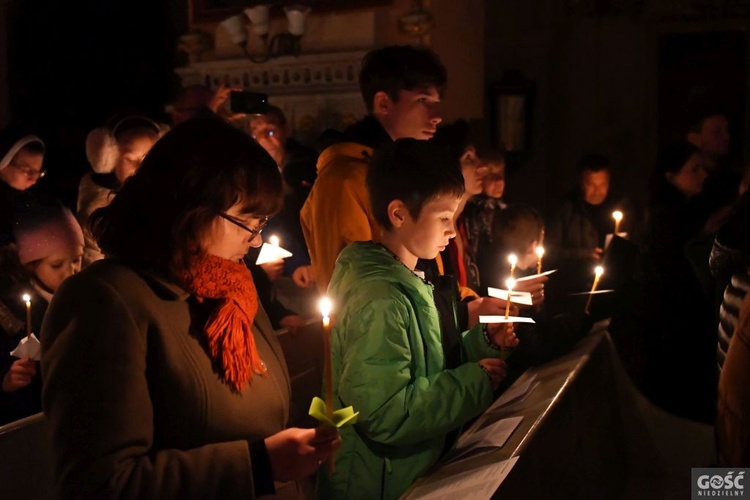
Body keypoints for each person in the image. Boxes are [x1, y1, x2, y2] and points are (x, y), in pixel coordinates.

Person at [41, 116, 340, 499]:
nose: (255, 241)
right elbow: (99, 484)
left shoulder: (234, 291)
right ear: (190, 207)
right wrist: (257, 465)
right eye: (246, 221)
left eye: (261, 222)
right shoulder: (105, 302)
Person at [317, 139, 517, 500]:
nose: (452, 231)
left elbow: (429, 367)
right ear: (399, 214)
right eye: (443, 218)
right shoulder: (379, 296)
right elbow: (386, 411)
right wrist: (476, 381)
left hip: (408, 472)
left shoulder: (409, 280)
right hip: (377, 483)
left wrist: (483, 341)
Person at [300, 45, 446, 293]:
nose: (436, 116)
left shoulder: (404, 172)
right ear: (383, 103)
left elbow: (426, 272)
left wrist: (465, 307)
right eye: (422, 100)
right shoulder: (344, 179)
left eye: (436, 102)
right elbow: (353, 291)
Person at [0, 198, 83, 425]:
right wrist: (8, 381)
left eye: (77, 260)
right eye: (57, 265)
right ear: (30, 265)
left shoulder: (91, 296)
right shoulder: (11, 318)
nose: (71, 271)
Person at [249, 106, 319, 316]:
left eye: (270, 130)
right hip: (281, 280)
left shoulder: (308, 168)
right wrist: (259, 269)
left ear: (285, 129)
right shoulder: (252, 176)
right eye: (256, 133)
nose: (264, 139)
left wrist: (307, 262)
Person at [77, 115, 163, 266]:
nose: (141, 167)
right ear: (108, 158)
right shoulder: (95, 211)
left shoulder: (160, 195)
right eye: (131, 159)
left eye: (148, 158)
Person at [546, 154, 630, 294]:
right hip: (574, 286)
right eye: (591, 185)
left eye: (602, 184)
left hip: (612, 286)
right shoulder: (565, 209)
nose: (597, 190)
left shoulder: (621, 207)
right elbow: (550, 252)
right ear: (581, 181)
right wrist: (584, 254)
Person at [0, 130, 46, 244]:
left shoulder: (32, 201)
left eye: (37, 173)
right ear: (4, 163)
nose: (34, 180)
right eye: (27, 171)